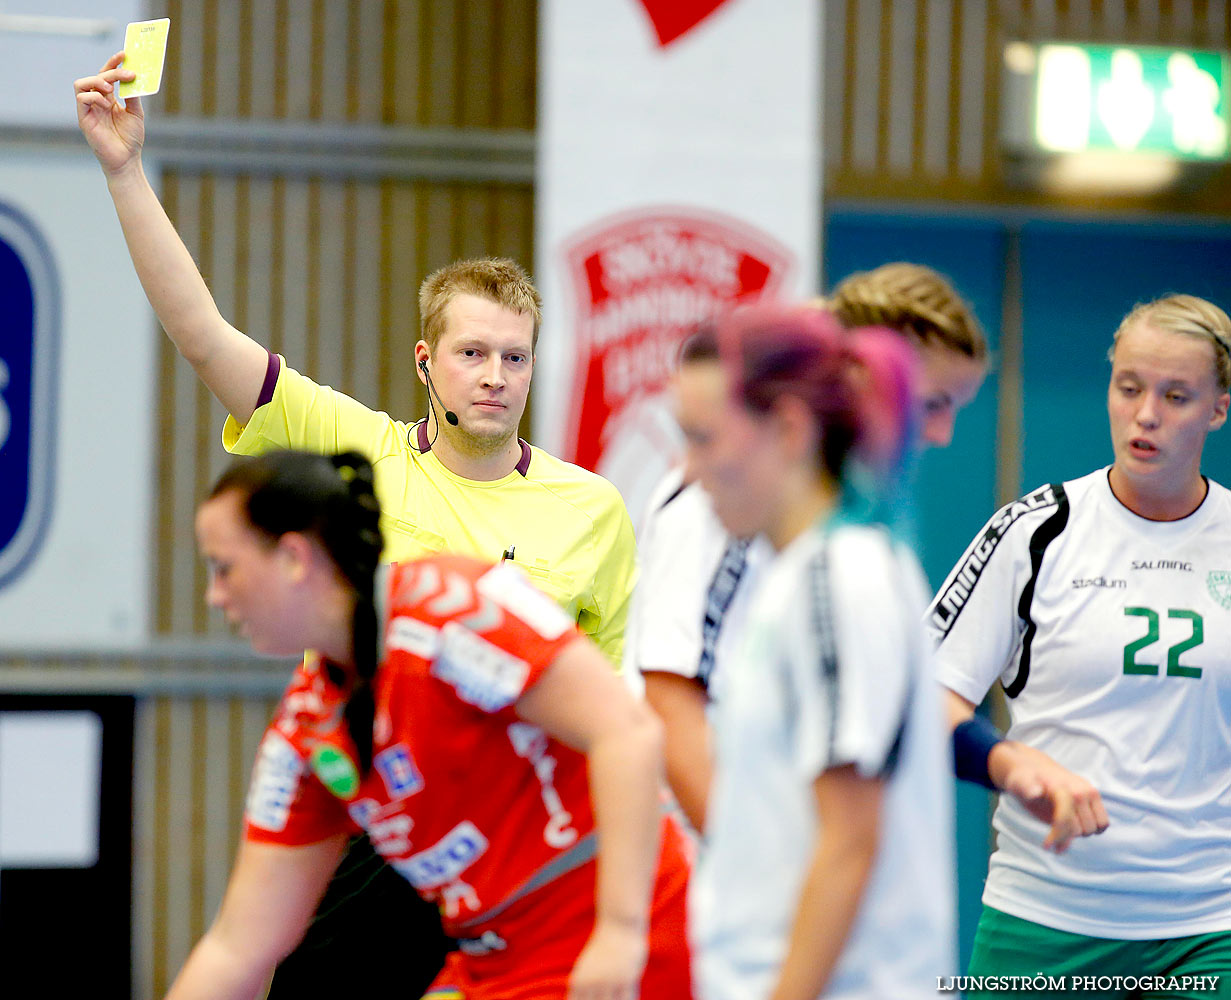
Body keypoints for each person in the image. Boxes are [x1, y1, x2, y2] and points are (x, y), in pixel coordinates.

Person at [75, 54, 637, 995]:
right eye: (471, 353)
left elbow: (612, 716)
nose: (495, 375)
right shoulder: (355, 453)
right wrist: (125, 171)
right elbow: (202, 333)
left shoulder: (593, 510)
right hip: (373, 816)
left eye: (515, 356)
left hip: (511, 847)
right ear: (425, 361)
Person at [178, 448, 691, 1000]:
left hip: (616, 933)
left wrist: (620, 933)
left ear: (294, 558)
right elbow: (238, 946)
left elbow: (629, 732)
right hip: (492, 957)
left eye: (223, 568)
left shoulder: (451, 611)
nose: (215, 596)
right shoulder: (307, 727)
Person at [928, 295, 1231, 998]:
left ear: (1218, 409)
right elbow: (919, 700)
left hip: (1207, 925)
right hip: (1045, 915)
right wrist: (1007, 763)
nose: (1145, 414)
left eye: (1175, 395)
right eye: (1128, 387)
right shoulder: (1035, 533)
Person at [628, 262, 990, 834]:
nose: (942, 434)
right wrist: (741, 875)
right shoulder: (723, 499)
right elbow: (672, 706)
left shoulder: (856, 535)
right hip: (709, 860)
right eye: (932, 402)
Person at [676, 304, 953, 999]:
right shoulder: (796, 574)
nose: (689, 470)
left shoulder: (841, 578)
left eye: (704, 439)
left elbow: (849, 842)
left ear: (790, 429)